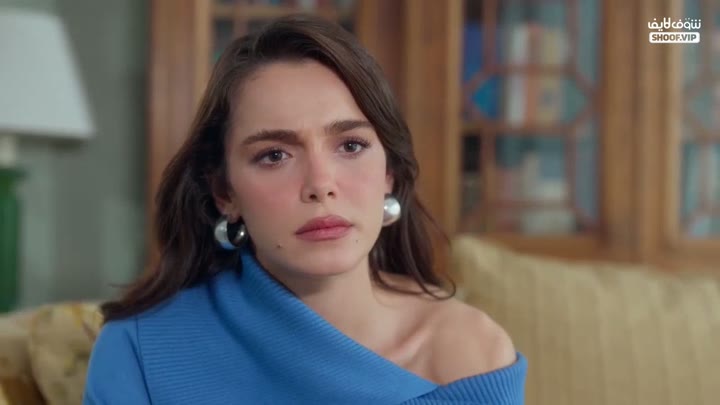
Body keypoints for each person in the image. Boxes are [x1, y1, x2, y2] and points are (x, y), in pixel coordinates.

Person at [83, 13, 527, 405]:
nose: (320, 185)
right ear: (224, 193)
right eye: (274, 155)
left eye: (350, 146)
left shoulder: (470, 352)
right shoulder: (141, 347)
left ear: (389, 173)